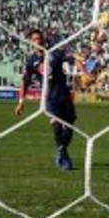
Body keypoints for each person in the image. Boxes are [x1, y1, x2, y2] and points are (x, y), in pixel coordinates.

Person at [14, 29, 79, 171]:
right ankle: (62, 156)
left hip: (64, 95)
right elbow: (25, 80)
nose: (38, 41)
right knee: (56, 125)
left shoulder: (54, 53)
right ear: (31, 42)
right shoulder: (31, 61)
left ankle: (61, 151)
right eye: (35, 39)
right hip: (49, 97)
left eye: (40, 38)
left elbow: (73, 59)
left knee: (69, 128)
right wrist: (21, 102)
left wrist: (84, 72)